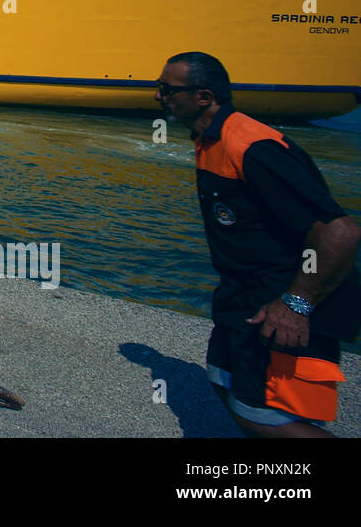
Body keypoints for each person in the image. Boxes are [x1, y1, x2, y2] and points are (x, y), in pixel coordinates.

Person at [155, 51, 361, 437]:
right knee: (224, 383)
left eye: (168, 89)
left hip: (283, 301)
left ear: (203, 96)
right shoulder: (208, 140)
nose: (159, 97)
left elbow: (340, 231)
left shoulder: (252, 146)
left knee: (262, 414)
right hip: (244, 297)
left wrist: (297, 304)